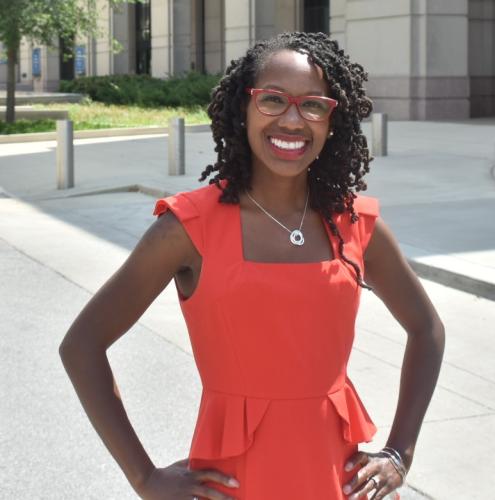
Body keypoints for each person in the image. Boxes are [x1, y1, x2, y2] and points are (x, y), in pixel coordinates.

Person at [59, 32, 445, 500]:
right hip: (235, 484)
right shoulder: (187, 228)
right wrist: (145, 477)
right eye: (273, 100)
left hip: (337, 481)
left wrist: (400, 453)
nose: (292, 119)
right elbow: (82, 345)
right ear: (243, 109)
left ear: (331, 121)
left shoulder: (354, 224)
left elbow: (426, 328)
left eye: (313, 105)